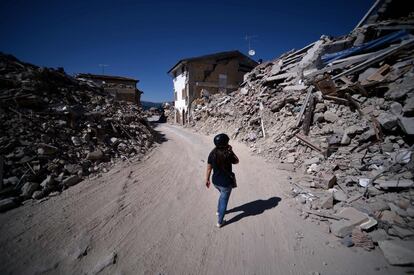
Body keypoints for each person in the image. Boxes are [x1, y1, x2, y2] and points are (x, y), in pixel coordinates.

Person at [205, 133, 239, 228]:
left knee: (222, 196)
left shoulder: (212, 153)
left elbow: (208, 169)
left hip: (215, 181)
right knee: (224, 200)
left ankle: (218, 211)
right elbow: (237, 161)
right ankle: (220, 222)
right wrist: (231, 151)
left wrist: (207, 179)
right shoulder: (228, 153)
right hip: (226, 183)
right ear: (226, 143)